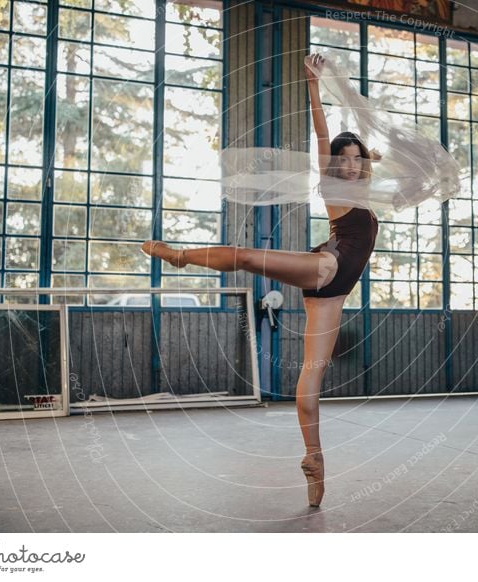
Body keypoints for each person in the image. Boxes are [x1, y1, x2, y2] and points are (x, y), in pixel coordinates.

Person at [142, 53, 379, 507]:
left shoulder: (367, 191)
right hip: (327, 267)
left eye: (355, 159)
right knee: (251, 258)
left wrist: (375, 154)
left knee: (309, 386)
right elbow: (322, 134)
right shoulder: (333, 189)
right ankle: (180, 256)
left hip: (333, 296)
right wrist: (315, 85)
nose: (348, 165)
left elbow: (375, 163)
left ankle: (314, 464)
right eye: (342, 159)